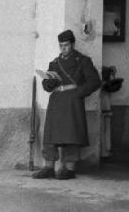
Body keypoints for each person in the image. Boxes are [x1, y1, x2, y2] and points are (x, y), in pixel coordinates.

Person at [32, 29, 101, 180]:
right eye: (61, 45)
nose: (63, 48)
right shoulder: (55, 63)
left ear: (73, 44)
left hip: (73, 101)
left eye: (66, 45)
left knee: (72, 134)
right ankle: (48, 167)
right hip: (56, 101)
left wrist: (79, 93)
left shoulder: (83, 61)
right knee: (51, 135)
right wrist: (48, 82)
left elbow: (95, 81)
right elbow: (46, 85)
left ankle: (69, 169)